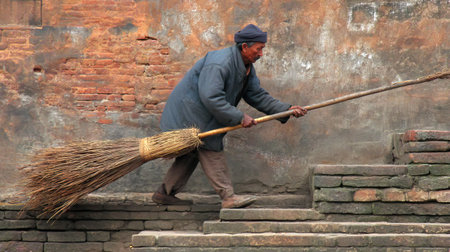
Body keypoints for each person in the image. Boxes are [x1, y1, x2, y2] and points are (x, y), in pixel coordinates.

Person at [152, 24, 307, 208]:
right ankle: (228, 197)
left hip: (203, 114)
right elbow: (211, 97)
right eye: (259, 49)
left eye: (262, 49)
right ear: (244, 47)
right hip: (191, 113)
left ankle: (165, 193)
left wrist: (287, 109)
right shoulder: (220, 63)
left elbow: (257, 95)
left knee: (192, 152)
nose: (261, 54)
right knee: (210, 147)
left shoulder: (246, 66)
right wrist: (239, 117)